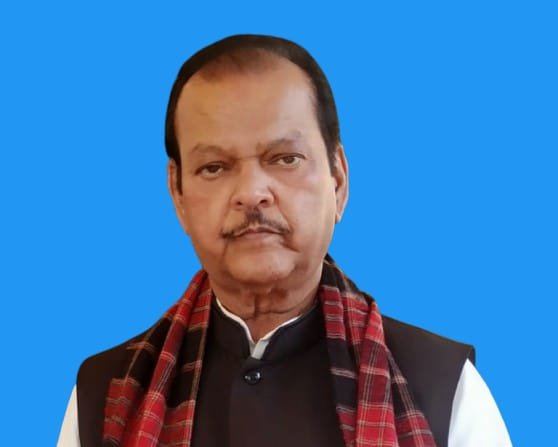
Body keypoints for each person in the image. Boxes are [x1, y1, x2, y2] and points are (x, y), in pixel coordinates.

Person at [57, 34, 512, 447]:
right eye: (214, 167)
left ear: (338, 180)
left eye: (285, 158)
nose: (252, 192)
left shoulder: (444, 391)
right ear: (178, 194)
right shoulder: (105, 395)